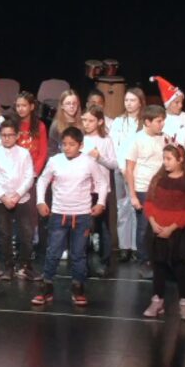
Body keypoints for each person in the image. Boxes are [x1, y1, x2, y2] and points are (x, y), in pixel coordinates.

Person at [33, 127, 106, 307]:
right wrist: (41, 201)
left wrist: (101, 202)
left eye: (71, 144)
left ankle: (78, 286)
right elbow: (42, 180)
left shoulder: (89, 162)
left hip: (81, 215)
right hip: (59, 214)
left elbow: (101, 182)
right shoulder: (55, 161)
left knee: (79, 254)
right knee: (53, 251)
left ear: (80, 145)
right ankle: (47, 286)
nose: (67, 148)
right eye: (64, 144)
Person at [142, 145, 185, 321]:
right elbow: (149, 202)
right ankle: (157, 300)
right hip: (157, 229)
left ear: (180, 159)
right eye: (164, 158)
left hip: (177, 232)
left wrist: (172, 228)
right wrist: (153, 222)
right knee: (158, 266)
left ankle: (184, 302)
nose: (165, 162)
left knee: (180, 267)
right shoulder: (159, 179)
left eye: (169, 159)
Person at [0, 119, 38, 281]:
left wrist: (17, 195)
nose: (6, 138)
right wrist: (4, 197)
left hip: (21, 199)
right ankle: (8, 267)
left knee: (26, 234)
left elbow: (28, 177)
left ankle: (25, 266)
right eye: (3, 135)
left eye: (10, 135)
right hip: (2, 200)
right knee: (4, 235)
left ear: (17, 136)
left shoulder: (24, 153)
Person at [124, 105, 168, 280]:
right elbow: (129, 169)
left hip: (161, 190)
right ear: (147, 122)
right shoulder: (136, 140)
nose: (162, 124)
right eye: (158, 121)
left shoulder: (165, 139)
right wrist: (133, 195)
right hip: (143, 190)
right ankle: (144, 261)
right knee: (144, 228)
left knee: (161, 227)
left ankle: (160, 260)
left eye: (163, 120)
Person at [80, 105, 118, 276]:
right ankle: (84, 262)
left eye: (90, 121)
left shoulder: (106, 140)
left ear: (100, 121)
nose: (86, 124)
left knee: (102, 227)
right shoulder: (80, 140)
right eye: (84, 120)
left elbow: (114, 164)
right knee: (84, 227)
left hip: (101, 190)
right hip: (83, 189)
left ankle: (104, 261)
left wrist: (99, 157)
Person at [109, 87, 145, 260]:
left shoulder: (145, 122)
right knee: (122, 207)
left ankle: (137, 246)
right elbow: (115, 147)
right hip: (121, 169)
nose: (129, 104)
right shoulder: (118, 121)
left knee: (136, 206)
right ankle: (125, 246)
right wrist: (122, 167)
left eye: (133, 100)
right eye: (126, 100)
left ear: (140, 102)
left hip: (139, 171)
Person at [151, 75, 185, 166]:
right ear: (168, 104)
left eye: (181, 102)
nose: (180, 105)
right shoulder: (160, 119)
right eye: (177, 102)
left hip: (183, 166)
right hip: (162, 166)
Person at [47, 89, 82, 157]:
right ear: (62, 106)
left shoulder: (83, 124)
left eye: (74, 103)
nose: (72, 106)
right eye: (68, 103)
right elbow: (51, 150)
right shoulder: (56, 125)